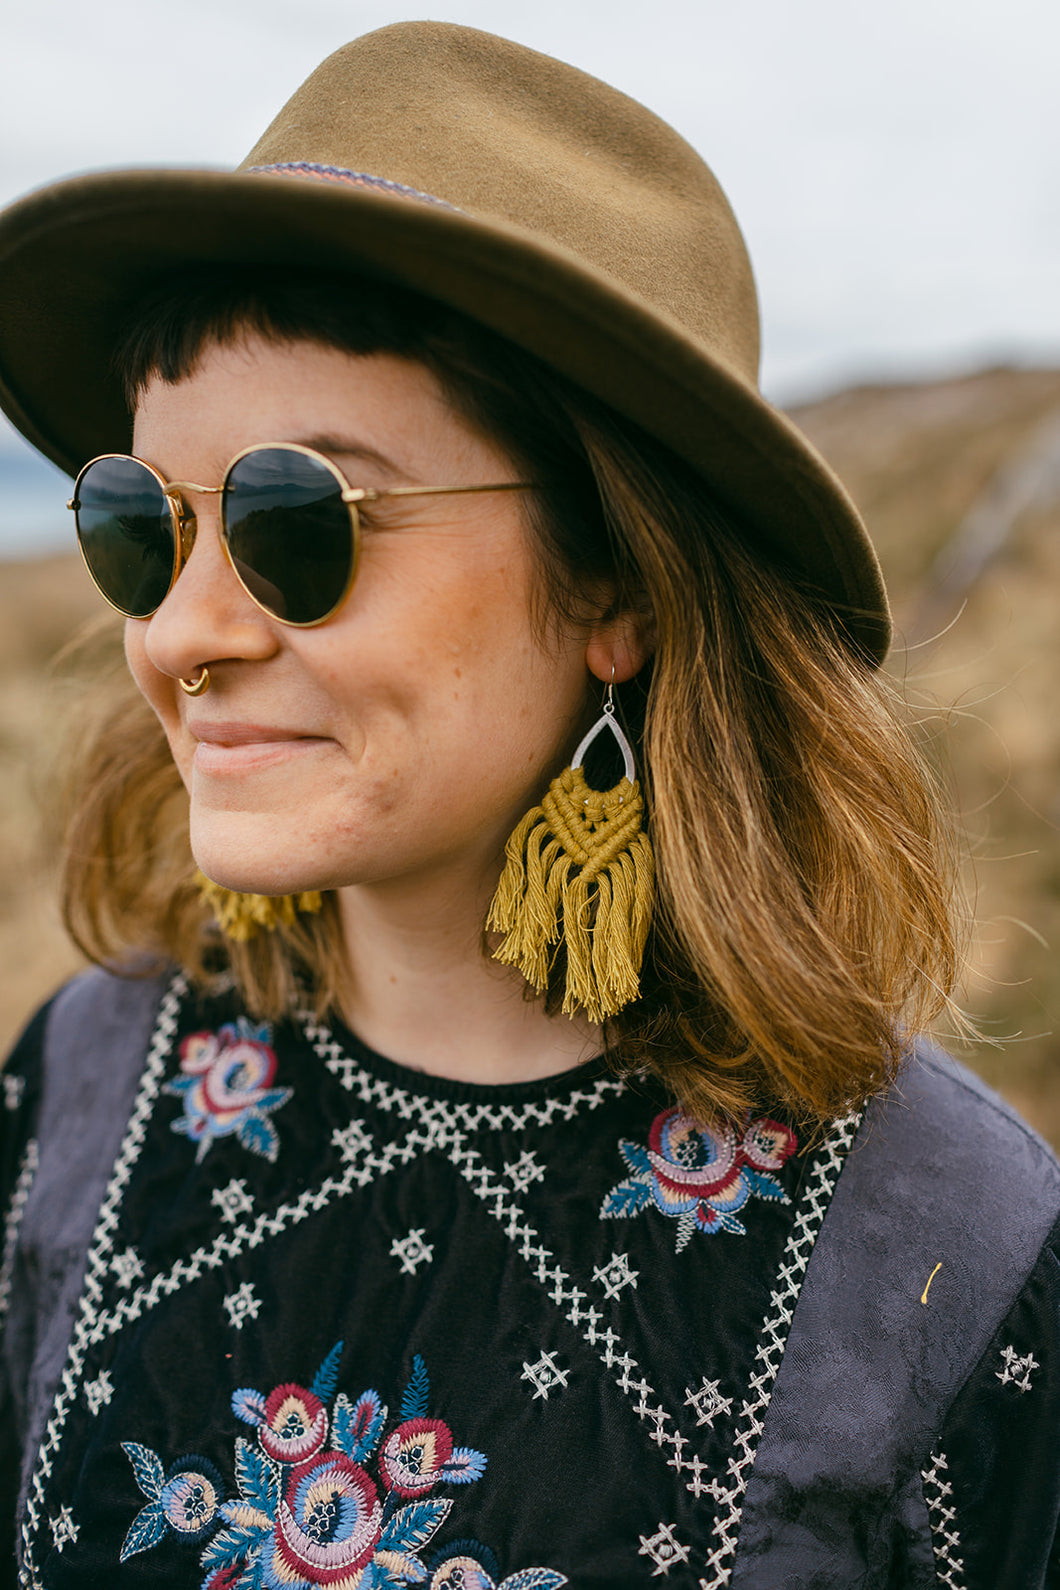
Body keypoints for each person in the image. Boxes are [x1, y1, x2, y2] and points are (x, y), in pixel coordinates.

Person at [0, 21, 1056, 1590]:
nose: (179, 631)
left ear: (616, 578)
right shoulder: (76, 1092)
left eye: (301, 517)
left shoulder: (945, 1251)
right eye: (141, 521)